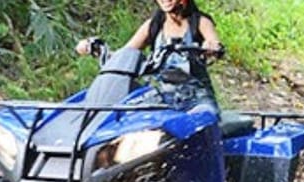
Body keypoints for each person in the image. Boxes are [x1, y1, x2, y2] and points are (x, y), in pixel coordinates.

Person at [75, 0, 223, 115]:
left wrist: (211, 47)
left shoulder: (200, 21)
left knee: (204, 119)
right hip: (160, 98)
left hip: (196, 97)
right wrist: (96, 48)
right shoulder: (153, 25)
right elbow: (125, 54)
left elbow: (214, 43)